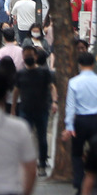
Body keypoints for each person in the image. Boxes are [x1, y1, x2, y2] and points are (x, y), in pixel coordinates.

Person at [62, 52, 97, 195]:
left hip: (80, 121)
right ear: (93, 64)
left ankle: (79, 184)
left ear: (79, 64)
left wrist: (69, 126)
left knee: (77, 154)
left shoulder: (74, 82)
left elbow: (70, 106)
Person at [11, 46, 58, 177]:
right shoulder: (20, 74)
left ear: (35, 56)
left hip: (42, 109)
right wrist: (13, 108)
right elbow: (16, 91)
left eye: (30, 55)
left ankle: (42, 164)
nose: (28, 58)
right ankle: (25, 163)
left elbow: (52, 87)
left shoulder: (44, 72)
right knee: (24, 137)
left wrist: (54, 102)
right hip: (25, 109)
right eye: (26, 55)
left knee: (42, 138)